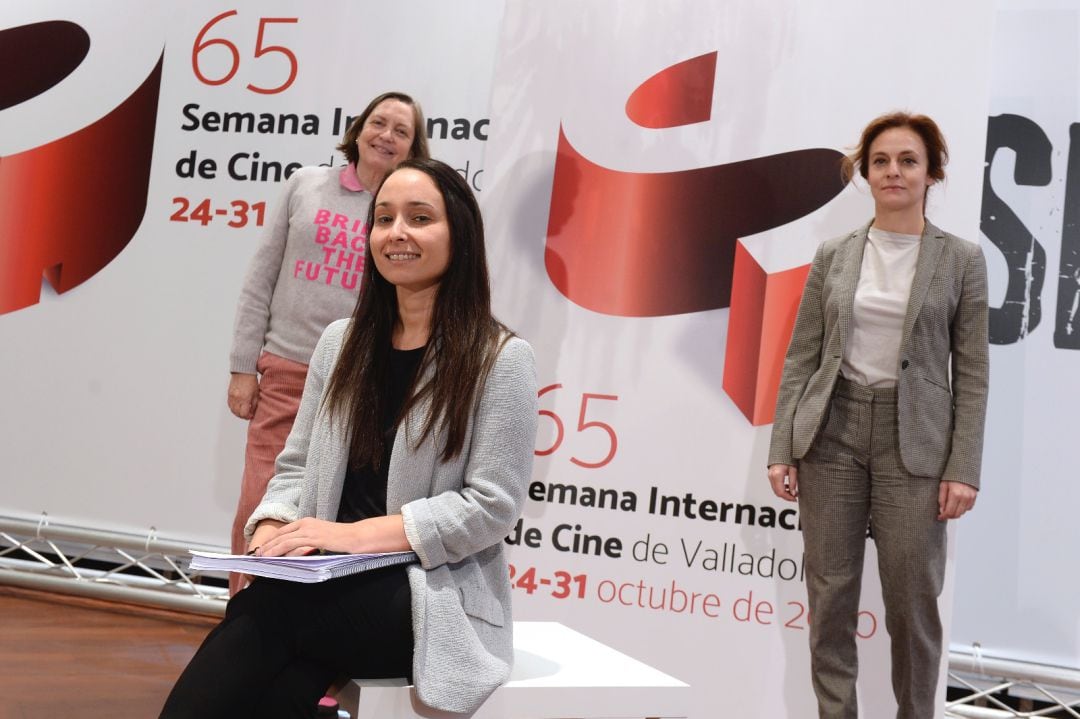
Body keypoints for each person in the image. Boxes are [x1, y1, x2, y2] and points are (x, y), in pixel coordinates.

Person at [162, 158, 538, 718]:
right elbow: (294, 467)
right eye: (383, 218)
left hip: (426, 594)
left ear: (459, 234)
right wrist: (270, 531)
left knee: (268, 612)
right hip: (323, 581)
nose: (396, 233)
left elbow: (492, 507)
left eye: (419, 217)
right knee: (277, 666)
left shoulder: (500, 359)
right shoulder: (341, 343)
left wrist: (347, 536)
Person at [767, 112, 989, 719]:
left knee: (912, 606)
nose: (894, 171)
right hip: (832, 436)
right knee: (830, 601)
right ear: (865, 173)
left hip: (913, 444)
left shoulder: (963, 260)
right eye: (882, 161)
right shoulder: (834, 254)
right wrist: (783, 447)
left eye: (908, 161)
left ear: (931, 173)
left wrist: (962, 466)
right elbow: (801, 358)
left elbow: (971, 373)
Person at [226, 91, 430, 594]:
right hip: (287, 372)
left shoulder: (406, 214)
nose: (386, 135)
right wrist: (241, 367)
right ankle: (243, 618)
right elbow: (260, 280)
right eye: (378, 122)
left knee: (338, 513)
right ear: (358, 129)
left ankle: (312, 629)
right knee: (261, 507)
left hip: (364, 381)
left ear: (412, 148)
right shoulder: (305, 185)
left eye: (400, 131)